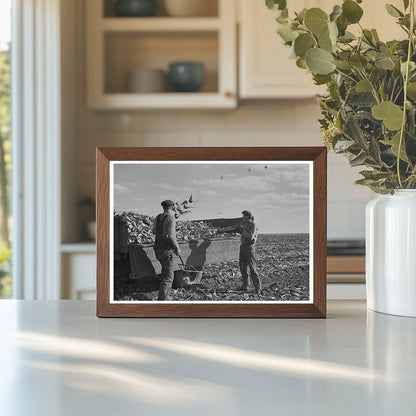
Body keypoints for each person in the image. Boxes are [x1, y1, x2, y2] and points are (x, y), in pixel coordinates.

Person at [152, 200, 181, 300]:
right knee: (168, 277)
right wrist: (177, 247)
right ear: (172, 207)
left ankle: (164, 297)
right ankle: (163, 300)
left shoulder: (158, 217)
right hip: (167, 249)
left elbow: (154, 231)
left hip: (158, 248)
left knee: (165, 273)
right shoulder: (171, 218)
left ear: (163, 207)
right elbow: (172, 236)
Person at [238, 210, 262, 294]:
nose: (242, 217)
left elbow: (250, 237)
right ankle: (246, 286)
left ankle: (258, 288)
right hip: (243, 247)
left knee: (252, 268)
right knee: (243, 268)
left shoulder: (253, 225)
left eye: (243, 216)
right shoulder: (245, 224)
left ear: (247, 216)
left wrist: (243, 230)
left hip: (249, 248)